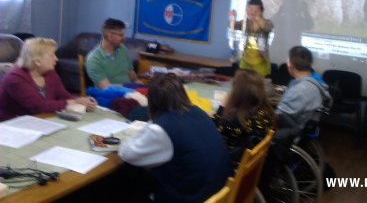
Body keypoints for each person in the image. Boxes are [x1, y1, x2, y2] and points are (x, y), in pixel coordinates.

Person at [119, 73, 233, 203]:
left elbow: (126, 154)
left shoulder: (163, 128)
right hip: (220, 193)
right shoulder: (200, 113)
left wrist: (150, 123)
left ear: (152, 101)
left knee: (126, 177)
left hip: (191, 197)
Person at [0, 38, 96, 121]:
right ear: (37, 61)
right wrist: (72, 102)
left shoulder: (49, 72)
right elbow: (37, 106)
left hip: (41, 120)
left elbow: (63, 95)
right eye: (51, 55)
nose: (56, 59)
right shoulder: (15, 78)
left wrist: (81, 100)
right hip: (12, 125)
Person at [213, 69, 276, 160]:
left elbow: (212, 132)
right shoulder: (267, 113)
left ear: (237, 92)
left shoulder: (233, 121)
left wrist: (222, 107)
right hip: (252, 165)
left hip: (229, 164)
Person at [276, 46, 331, 130]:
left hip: (287, 132)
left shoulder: (300, 90)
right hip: (299, 127)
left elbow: (278, 118)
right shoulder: (313, 83)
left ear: (290, 64)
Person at [86, 18, 142, 89]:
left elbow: (131, 72)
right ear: (110, 36)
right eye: (121, 35)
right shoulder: (94, 59)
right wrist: (131, 88)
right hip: (110, 96)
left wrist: (137, 81)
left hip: (129, 91)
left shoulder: (122, 49)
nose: (124, 38)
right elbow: (107, 87)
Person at [229, 0, 274, 77]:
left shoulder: (268, 22)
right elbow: (232, 26)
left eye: (255, 10)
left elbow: (266, 27)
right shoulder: (245, 23)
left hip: (261, 64)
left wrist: (258, 18)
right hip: (245, 63)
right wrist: (233, 17)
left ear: (261, 11)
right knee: (243, 85)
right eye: (249, 9)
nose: (251, 12)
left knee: (258, 87)